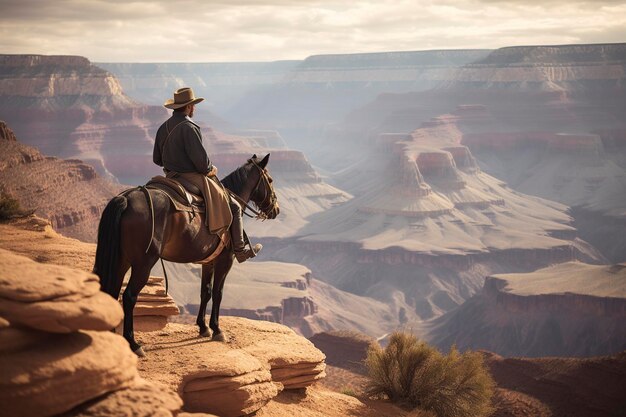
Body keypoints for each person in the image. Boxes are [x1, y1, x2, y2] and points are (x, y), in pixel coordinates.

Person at [153, 87, 261, 263]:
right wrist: (211, 169)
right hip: (191, 177)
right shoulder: (189, 127)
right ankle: (240, 250)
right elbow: (202, 164)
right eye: (193, 105)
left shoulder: (163, 128)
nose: (194, 109)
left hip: (170, 177)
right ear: (189, 107)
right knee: (233, 205)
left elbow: (157, 159)